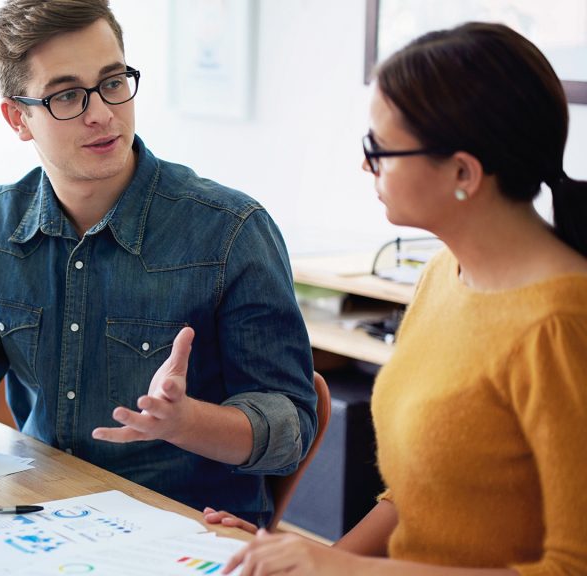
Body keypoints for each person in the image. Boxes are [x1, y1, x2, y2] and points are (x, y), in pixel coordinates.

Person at [0, 0, 316, 522]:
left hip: (183, 532)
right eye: (68, 95)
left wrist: (184, 422)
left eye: (113, 82)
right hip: (43, 521)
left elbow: (290, 432)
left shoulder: (231, 230)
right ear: (18, 118)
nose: (102, 113)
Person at [204, 22, 587, 575]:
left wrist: (345, 570)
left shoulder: (561, 326)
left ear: (463, 171)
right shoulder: (442, 275)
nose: (367, 165)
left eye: (378, 148)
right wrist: (307, 559)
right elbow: (419, 495)